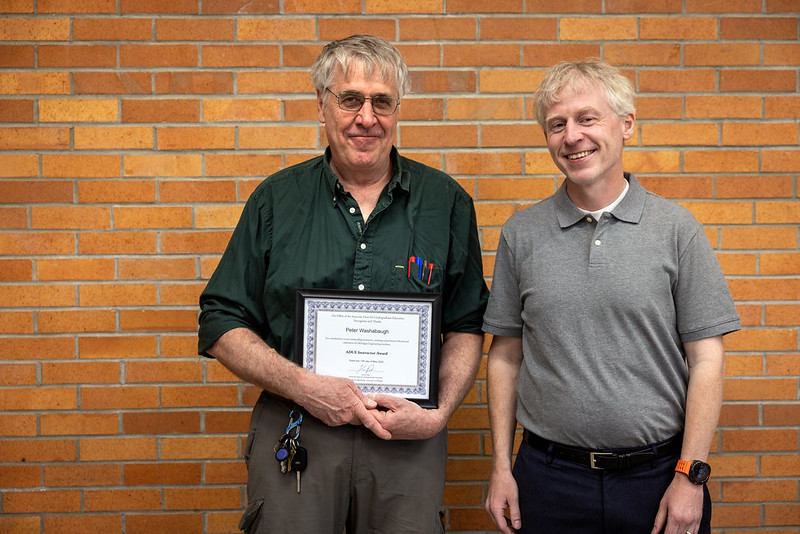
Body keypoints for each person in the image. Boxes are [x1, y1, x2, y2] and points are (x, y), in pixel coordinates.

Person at [198, 34, 488, 534]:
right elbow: (221, 320)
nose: (366, 117)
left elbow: (466, 322)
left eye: (382, 102)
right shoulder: (275, 201)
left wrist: (438, 413)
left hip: (406, 440)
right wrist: (305, 387)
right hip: (298, 431)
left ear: (398, 109)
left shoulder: (446, 204)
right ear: (321, 105)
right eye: (350, 99)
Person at [482, 58, 740, 534]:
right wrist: (501, 466)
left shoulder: (677, 230)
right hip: (547, 480)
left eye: (587, 118)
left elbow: (707, 359)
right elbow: (505, 356)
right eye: (556, 124)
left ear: (626, 125)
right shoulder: (522, 234)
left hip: (658, 480)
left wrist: (690, 476)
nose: (571, 136)